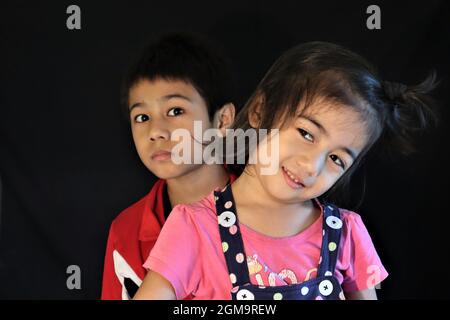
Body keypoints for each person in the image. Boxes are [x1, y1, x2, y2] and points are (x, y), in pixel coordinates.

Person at [133, 41, 437, 300]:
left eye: (336, 159)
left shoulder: (348, 234)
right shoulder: (193, 228)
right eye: (306, 133)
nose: (310, 165)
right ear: (260, 111)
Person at [101, 32, 237, 300]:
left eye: (175, 111)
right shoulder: (126, 231)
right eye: (141, 117)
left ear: (222, 121)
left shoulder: (271, 211)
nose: (156, 131)